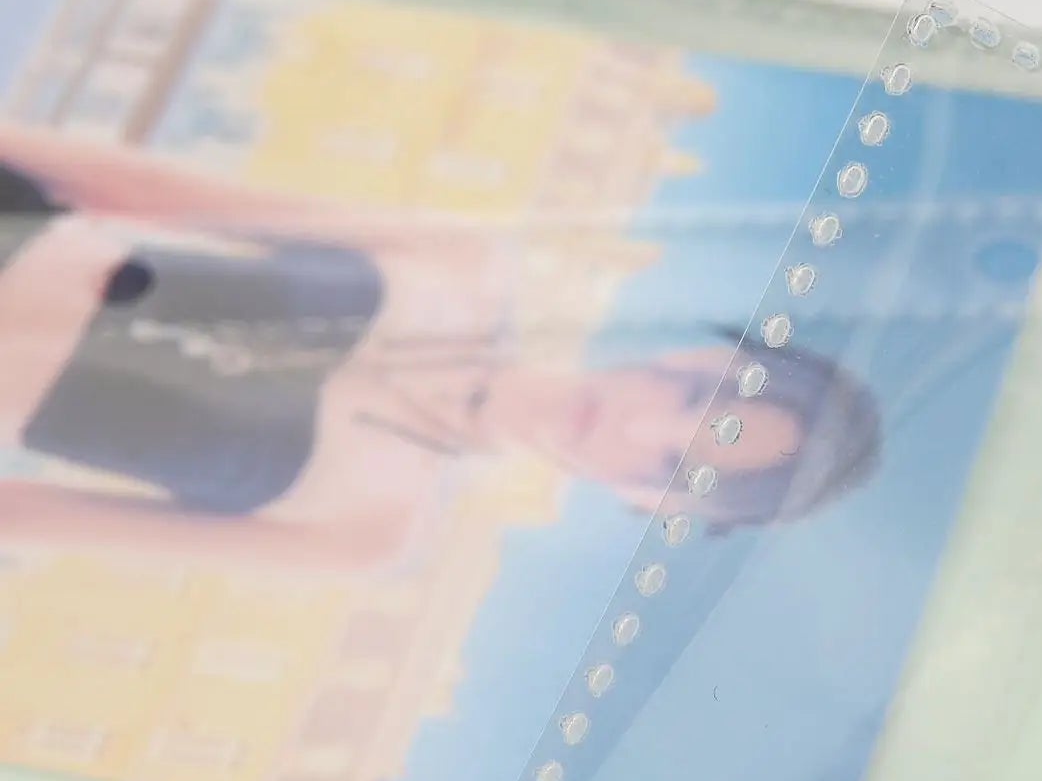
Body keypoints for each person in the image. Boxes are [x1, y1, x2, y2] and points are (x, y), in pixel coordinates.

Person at [0, 123, 879, 573]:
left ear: (655, 502)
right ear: (706, 359)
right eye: (696, 399)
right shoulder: (461, 264)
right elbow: (148, 188)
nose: (643, 422)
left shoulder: (364, 535)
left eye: (678, 463)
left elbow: (38, 518)